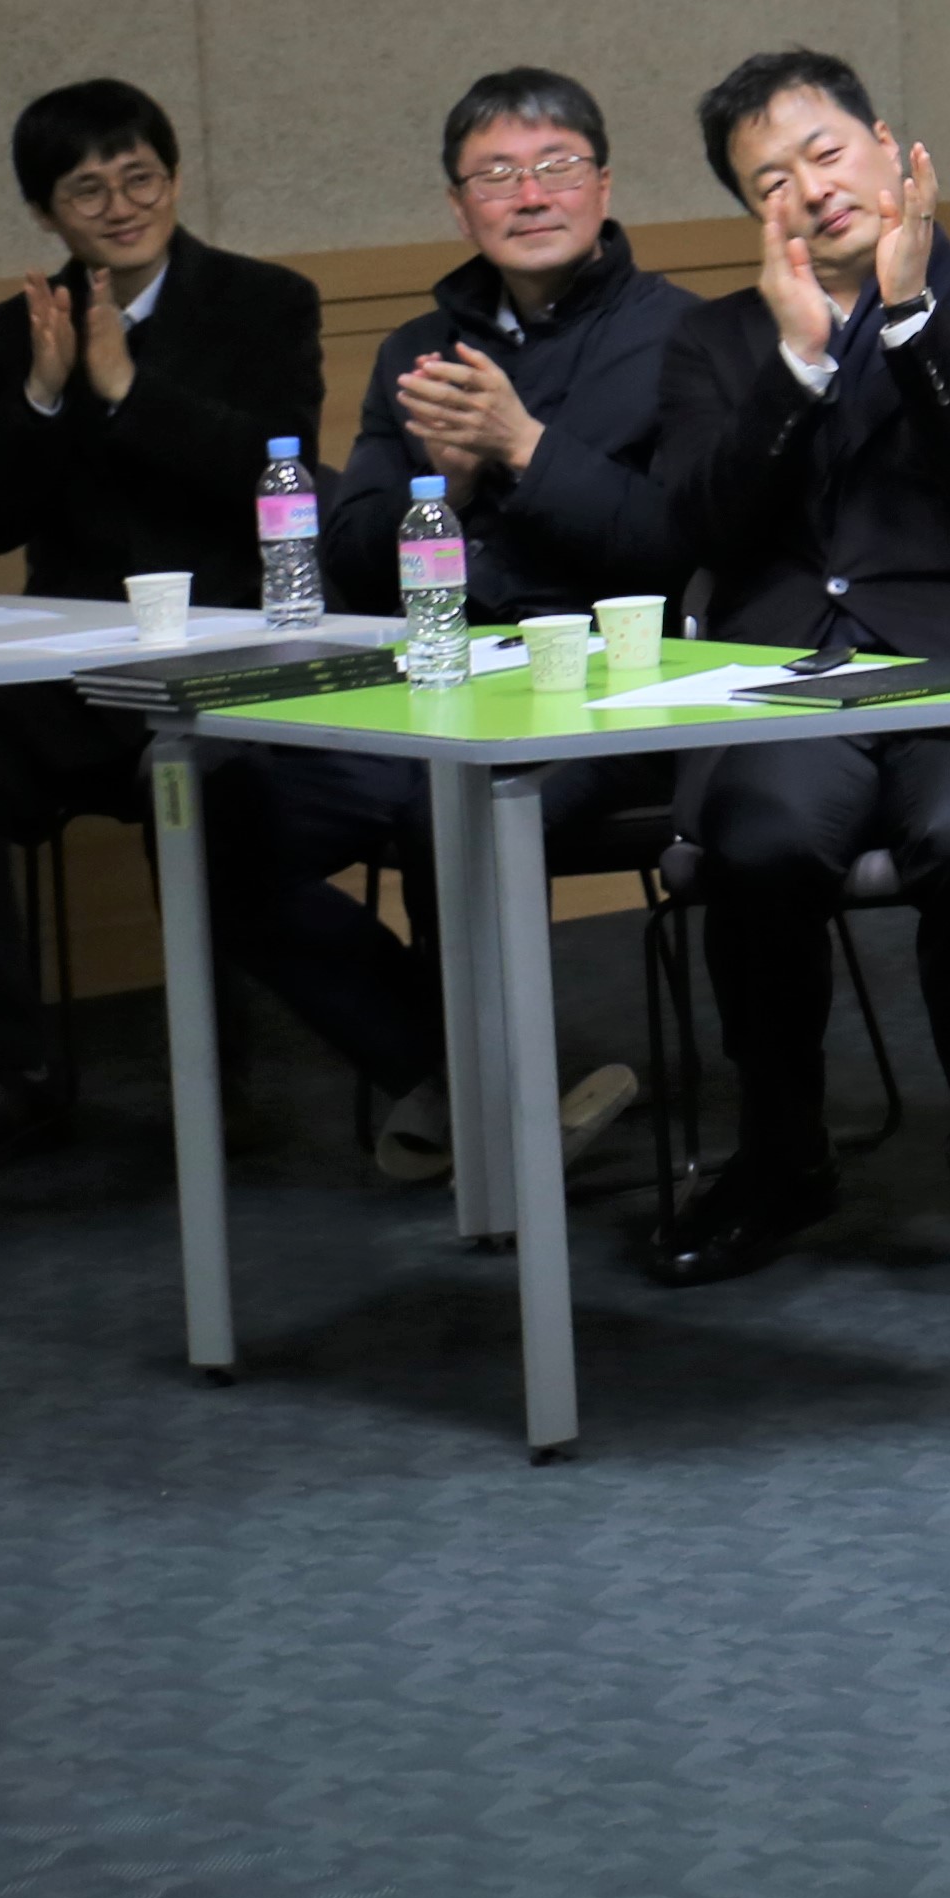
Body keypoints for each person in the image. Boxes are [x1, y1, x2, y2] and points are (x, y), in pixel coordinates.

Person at [642, 50, 950, 1286]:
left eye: (826, 151)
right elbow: (695, 529)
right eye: (771, 180)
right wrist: (796, 368)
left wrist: (908, 321)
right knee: (758, 844)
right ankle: (780, 1157)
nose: (810, 188)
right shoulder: (713, 341)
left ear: (888, 148)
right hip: (792, 679)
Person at [0, 78, 326, 1177]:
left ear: (174, 180)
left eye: (140, 178)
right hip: (75, 673)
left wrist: (129, 390)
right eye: (87, 189)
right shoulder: (12, 333)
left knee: (195, 781)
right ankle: (5, 1075)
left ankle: (217, 1074)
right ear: (45, 212)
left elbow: (276, 477)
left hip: (224, 656)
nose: (121, 205)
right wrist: (43, 397)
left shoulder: (264, 303)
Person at [285, 67, 681, 1183]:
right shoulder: (418, 349)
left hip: (605, 689)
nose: (531, 194)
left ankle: (490, 1114)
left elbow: (676, 546)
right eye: (497, 176)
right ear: (461, 208)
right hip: (433, 677)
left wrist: (523, 447)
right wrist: (445, 494)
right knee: (217, 814)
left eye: (556, 167)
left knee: (449, 803)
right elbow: (349, 561)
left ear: (603, 186)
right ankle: (458, 1076)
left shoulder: (684, 338)